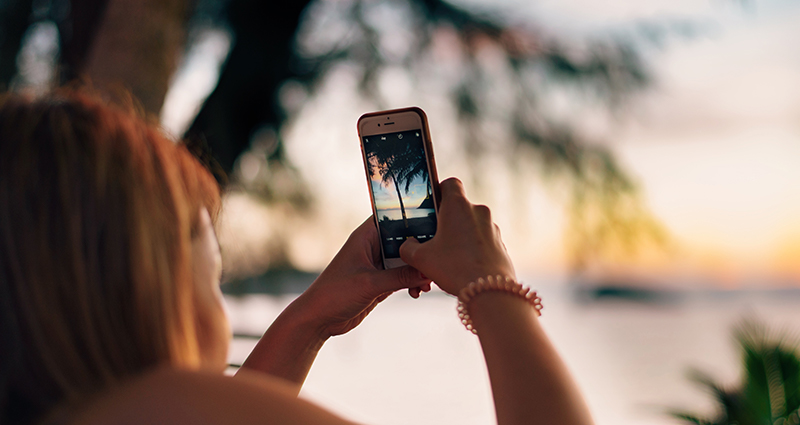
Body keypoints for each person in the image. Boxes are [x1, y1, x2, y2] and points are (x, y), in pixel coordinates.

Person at [0, 88, 594, 425]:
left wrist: (310, 318)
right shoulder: (156, 403)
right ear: (144, 283)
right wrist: (492, 287)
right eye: (212, 272)